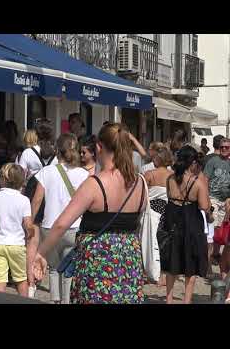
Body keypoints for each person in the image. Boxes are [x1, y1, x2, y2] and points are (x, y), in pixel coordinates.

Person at [33, 123, 147, 304]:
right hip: (129, 259)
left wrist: (41, 253)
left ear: (99, 148)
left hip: (98, 260)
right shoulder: (140, 183)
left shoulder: (95, 183)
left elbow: (62, 223)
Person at [31, 133, 89, 303]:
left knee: (53, 268)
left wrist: (30, 221)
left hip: (50, 226)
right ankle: (66, 300)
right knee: (69, 269)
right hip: (74, 226)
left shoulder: (46, 172)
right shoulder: (83, 174)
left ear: (57, 150)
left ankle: (54, 300)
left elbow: (37, 200)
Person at [160, 145, 210, 304]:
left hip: (172, 223)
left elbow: (170, 198)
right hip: (191, 224)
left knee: (172, 264)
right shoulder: (197, 182)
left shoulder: (170, 179)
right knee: (191, 266)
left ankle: (169, 300)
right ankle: (186, 301)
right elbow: (204, 206)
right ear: (192, 162)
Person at [0, 163, 37, 297]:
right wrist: (30, 235)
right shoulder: (24, 200)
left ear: (3, 180)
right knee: (20, 279)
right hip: (17, 245)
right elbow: (28, 225)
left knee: (0, 281)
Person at [143, 146, 174, 286]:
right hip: (167, 211)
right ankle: (161, 275)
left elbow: (142, 194)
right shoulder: (172, 175)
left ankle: (146, 272)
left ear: (157, 159)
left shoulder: (149, 174)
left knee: (148, 241)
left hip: (152, 210)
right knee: (163, 242)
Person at [204, 137, 230, 276]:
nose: (224, 149)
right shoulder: (213, 161)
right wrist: (206, 198)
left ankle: (215, 257)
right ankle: (207, 265)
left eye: (227, 147)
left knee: (220, 234)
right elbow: (205, 179)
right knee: (210, 232)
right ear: (219, 148)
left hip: (225, 201)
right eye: (222, 147)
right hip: (212, 199)